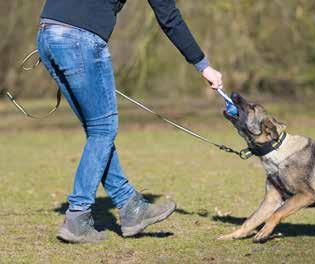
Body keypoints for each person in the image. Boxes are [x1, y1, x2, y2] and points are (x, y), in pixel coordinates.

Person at [37, 0, 223, 243]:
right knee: (103, 129)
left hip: (48, 33)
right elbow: (168, 16)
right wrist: (203, 66)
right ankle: (77, 217)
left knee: (97, 131)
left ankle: (130, 206)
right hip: (79, 39)